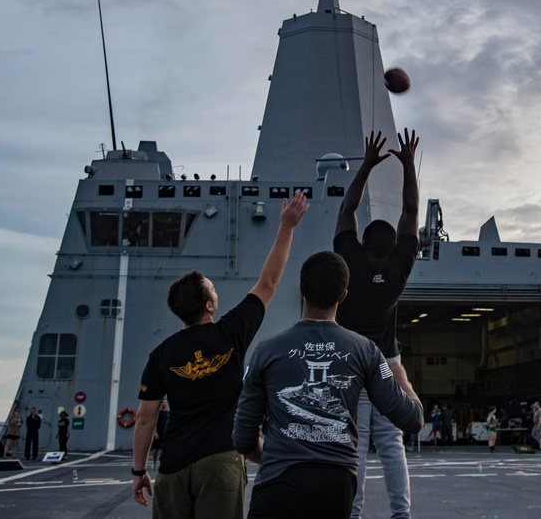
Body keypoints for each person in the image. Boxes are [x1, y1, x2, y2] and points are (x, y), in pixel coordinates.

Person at [130, 192, 309, 517]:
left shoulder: (160, 354)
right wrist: (287, 226)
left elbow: (145, 416)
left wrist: (138, 471)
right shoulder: (231, 332)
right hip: (222, 460)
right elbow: (268, 282)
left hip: (172, 467)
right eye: (213, 289)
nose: (216, 292)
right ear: (209, 305)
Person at [232, 250, 423, 519]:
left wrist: (276, 457)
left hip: (276, 485)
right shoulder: (366, 351)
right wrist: (401, 377)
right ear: (344, 295)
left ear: (301, 289)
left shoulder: (266, 350)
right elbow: (413, 419)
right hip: (336, 487)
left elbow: (242, 437)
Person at [333, 129, 420, 519]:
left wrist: (367, 164)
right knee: (392, 442)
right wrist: (407, 166)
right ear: (395, 247)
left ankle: (353, 512)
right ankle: (401, 513)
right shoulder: (400, 271)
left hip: (352, 363)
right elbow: (411, 213)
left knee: (357, 441)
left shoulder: (350, 261)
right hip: (386, 363)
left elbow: (346, 210)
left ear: (362, 242)